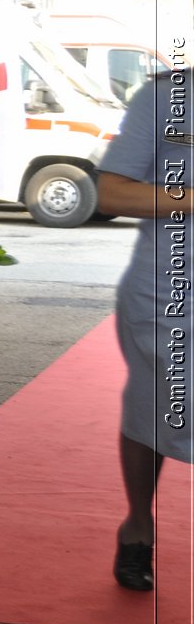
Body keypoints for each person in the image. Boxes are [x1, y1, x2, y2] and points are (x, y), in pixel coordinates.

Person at [98, 67, 193, 591]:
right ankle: (138, 524)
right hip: (171, 290)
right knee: (154, 411)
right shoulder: (164, 97)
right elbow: (112, 192)